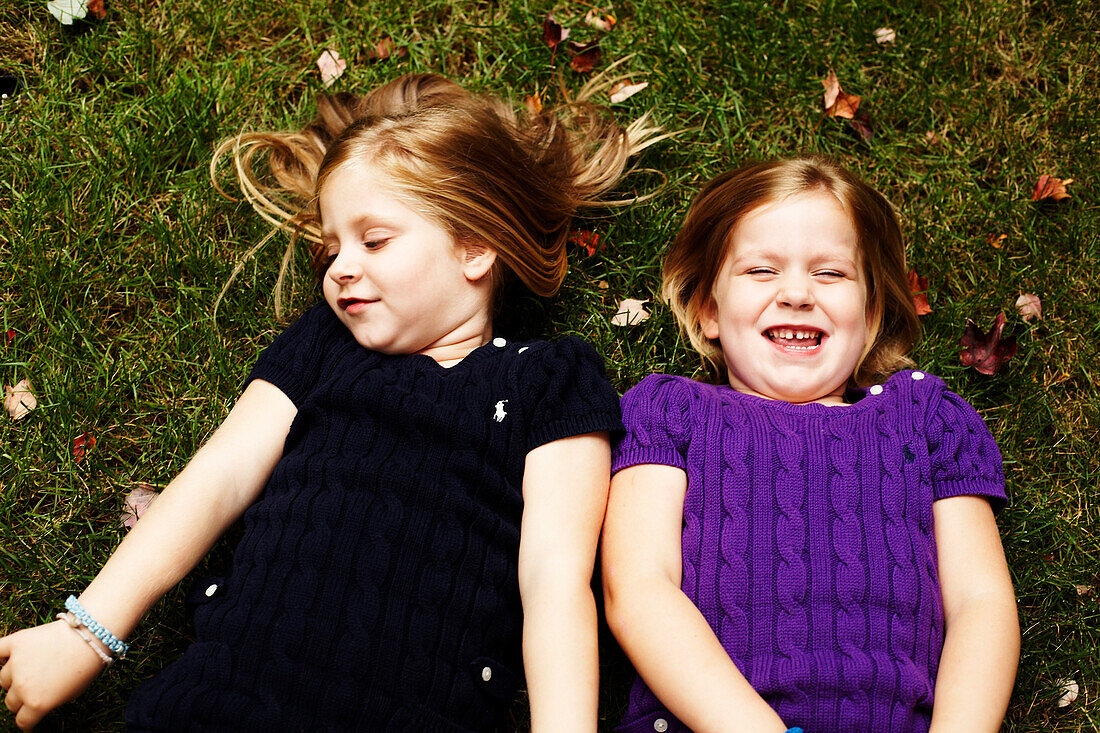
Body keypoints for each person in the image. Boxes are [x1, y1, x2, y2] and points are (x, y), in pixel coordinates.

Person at [0, 73, 663, 732]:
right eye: (331, 246)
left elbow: (554, 582)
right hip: (217, 703)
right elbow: (216, 478)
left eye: (374, 240)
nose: (340, 265)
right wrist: (86, 631)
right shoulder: (325, 345)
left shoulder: (547, 380)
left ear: (474, 245)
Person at [600, 157, 1020, 733]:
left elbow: (981, 604)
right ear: (708, 310)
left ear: (870, 314)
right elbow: (639, 588)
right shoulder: (670, 411)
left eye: (830, 274)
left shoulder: (924, 418)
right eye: (760, 271)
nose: (796, 293)